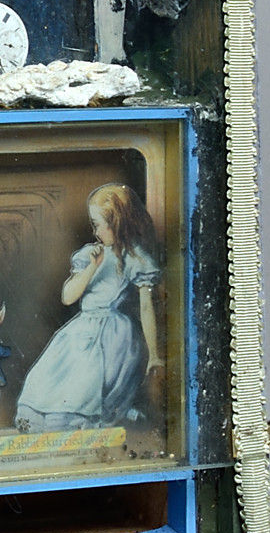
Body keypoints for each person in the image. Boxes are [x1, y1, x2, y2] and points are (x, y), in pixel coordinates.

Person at [15, 183, 162, 432]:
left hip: (113, 335)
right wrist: (92, 267)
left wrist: (154, 354)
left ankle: (87, 419)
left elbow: (147, 310)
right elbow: (68, 297)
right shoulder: (90, 255)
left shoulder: (135, 259)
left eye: (99, 225)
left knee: (88, 377)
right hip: (81, 329)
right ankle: (48, 420)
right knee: (52, 372)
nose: (95, 232)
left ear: (118, 223)